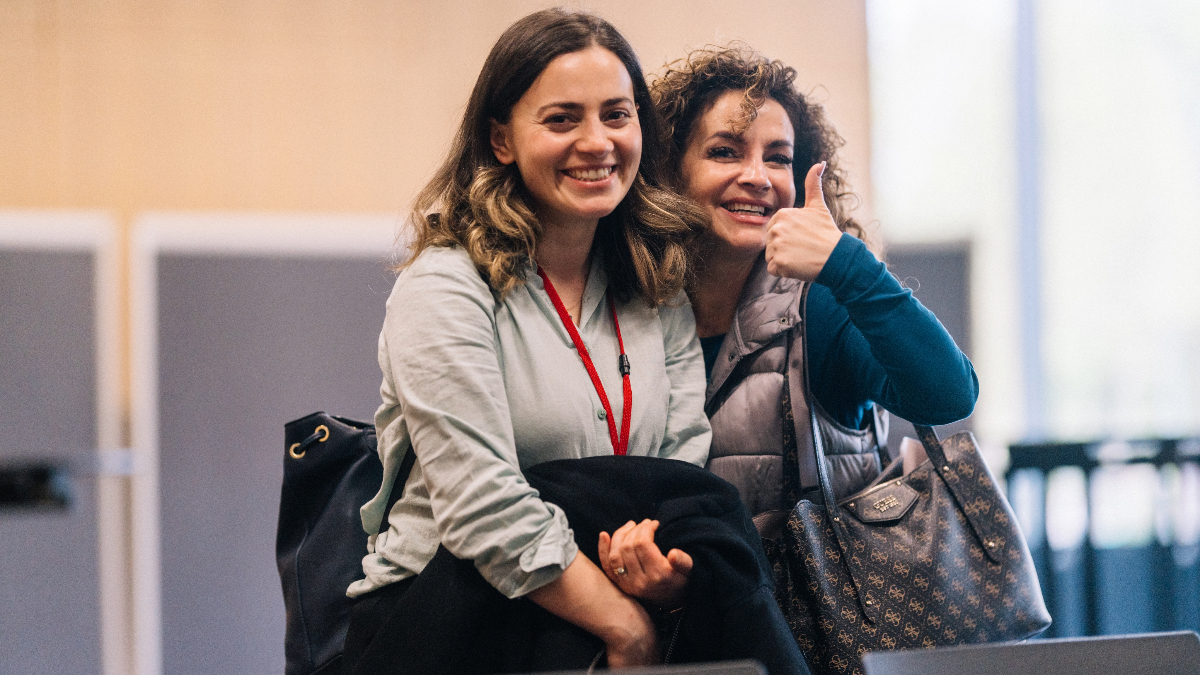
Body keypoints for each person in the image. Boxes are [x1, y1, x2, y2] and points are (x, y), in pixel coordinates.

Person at [339, 10, 731, 674]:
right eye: (561, 119)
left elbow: (680, 471)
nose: (597, 141)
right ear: (500, 139)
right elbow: (480, 502)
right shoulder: (445, 284)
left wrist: (661, 573)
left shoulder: (655, 285)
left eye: (617, 114)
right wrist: (626, 626)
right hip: (451, 622)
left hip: (606, 614)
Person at [598, 44, 979, 657]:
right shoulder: (622, 310)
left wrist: (848, 266)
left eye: (778, 157)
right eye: (725, 151)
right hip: (678, 644)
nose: (757, 176)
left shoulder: (821, 304)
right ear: (668, 169)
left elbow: (948, 393)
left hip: (821, 642)